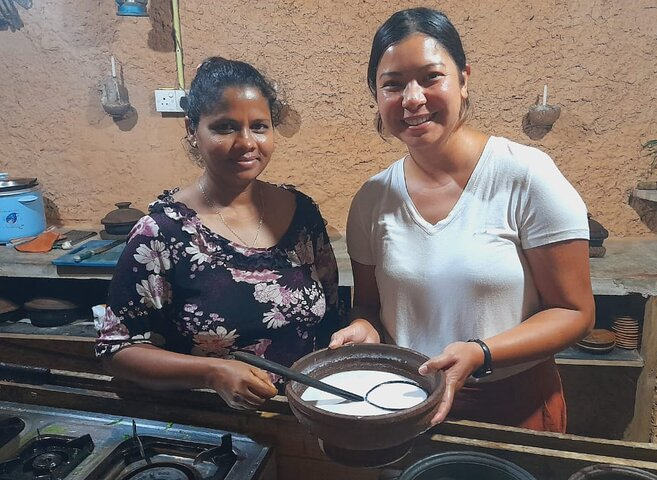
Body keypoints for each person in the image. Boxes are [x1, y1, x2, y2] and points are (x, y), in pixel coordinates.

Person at [329, 8, 594, 432]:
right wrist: (363, 327)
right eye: (392, 85)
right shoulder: (372, 199)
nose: (412, 98)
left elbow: (574, 312)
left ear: (464, 80)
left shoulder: (525, 175)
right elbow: (370, 306)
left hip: (511, 402)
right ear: (377, 98)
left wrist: (480, 352)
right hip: (405, 398)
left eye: (431, 77)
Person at [96, 57, 340, 411]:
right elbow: (116, 349)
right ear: (193, 130)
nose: (246, 142)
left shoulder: (301, 213)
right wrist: (211, 372)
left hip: (306, 413)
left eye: (259, 126)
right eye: (225, 127)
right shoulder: (161, 234)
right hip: (218, 426)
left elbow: (331, 312)